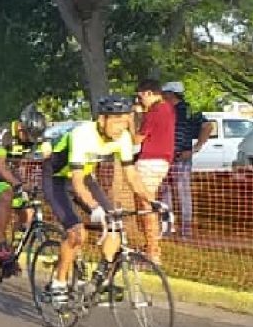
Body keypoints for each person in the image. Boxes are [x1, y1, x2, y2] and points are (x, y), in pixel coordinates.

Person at [41, 95, 162, 306]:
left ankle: (99, 279)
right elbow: (77, 184)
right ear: (102, 120)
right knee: (77, 232)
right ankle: (58, 283)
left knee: (115, 223)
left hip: (85, 177)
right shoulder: (82, 135)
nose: (120, 127)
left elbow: (132, 176)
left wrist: (154, 204)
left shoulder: (123, 138)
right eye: (116, 121)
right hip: (58, 179)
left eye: (125, 121)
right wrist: (94, 208)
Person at [0, 104, 46, 272]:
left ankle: (11, 252)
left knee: (26, 209)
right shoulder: (5, 134)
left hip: (8, 170)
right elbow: (0, 167)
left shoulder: (31, 138)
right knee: (6, 195)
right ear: (21, 127)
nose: (31, 140)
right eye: (29, 136)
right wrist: (19, 184)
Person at [160, 81, 210, 239]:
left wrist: (196, 148)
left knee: (181, 193)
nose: (163, 96)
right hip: (165, 157)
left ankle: (185, 229)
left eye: (165, 93)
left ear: (171, 94)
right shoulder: (164, 109)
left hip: (180, 157)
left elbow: (207, 126)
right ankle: (168, 227)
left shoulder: (189, 110)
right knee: (165, 193)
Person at [134, 79, 176, 264]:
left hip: (149, 161)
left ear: (149, 93)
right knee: (145, 203)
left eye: (141, 96)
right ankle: (150, 246)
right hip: (162, 160)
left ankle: (153, 250)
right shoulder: (167, 108)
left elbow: (137, 139)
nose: (140, 100)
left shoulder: (154, 111)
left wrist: (131, 120)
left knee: (145, 205)